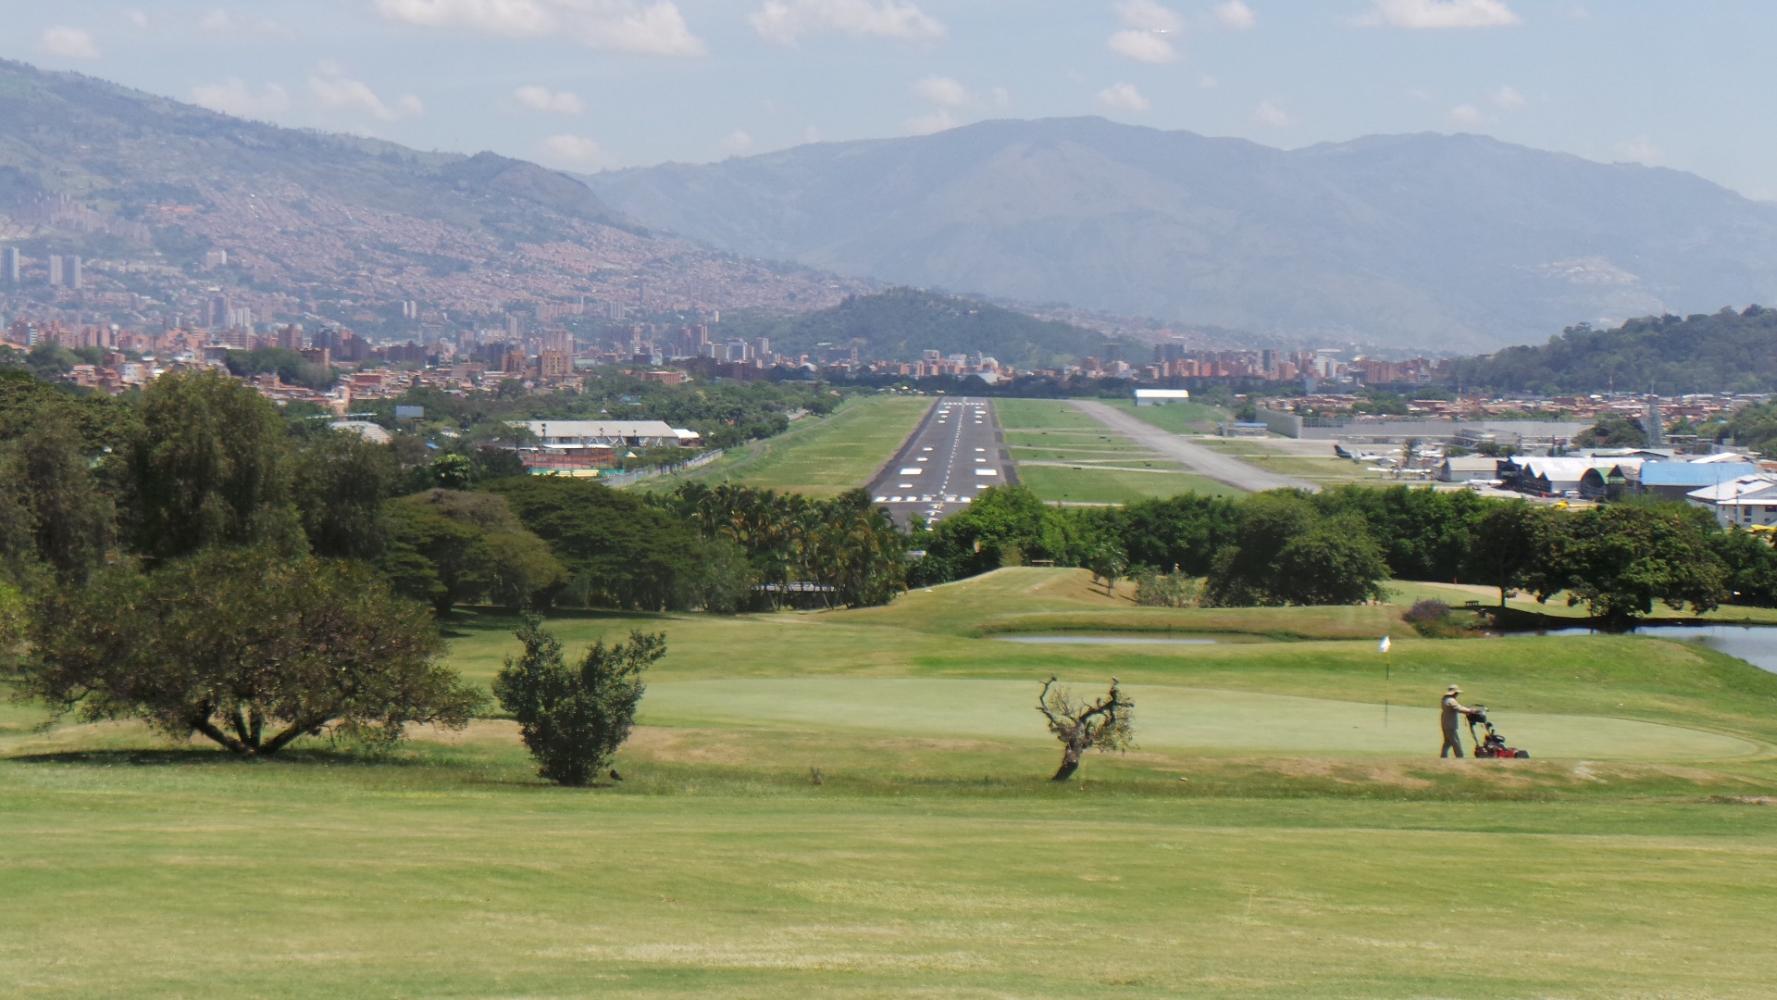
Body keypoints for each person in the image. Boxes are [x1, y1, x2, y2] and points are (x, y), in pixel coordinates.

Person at [1440, 684, 1477, 758]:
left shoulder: (1445, 699)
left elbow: (1458, 707)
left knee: (1448, 741)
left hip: (1445, 722)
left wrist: (1467, 710)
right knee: (1455, 741)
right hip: (1450, 724)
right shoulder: (1451, 700)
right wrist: (1470, 711)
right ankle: (1460, 757)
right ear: (1454, 693)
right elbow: (1458, 708)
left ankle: (1443, 756)